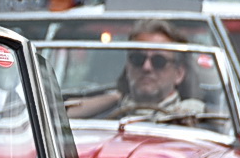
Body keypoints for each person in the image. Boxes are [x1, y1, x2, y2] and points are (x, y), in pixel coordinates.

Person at [69, 19, 206, 121]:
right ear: (128, 66)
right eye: (137, 59)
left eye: (159, 61)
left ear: (179, 74)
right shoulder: (105, 116)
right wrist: (117, 97)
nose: (147, 67)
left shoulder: (199, 120)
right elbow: (59, 118)